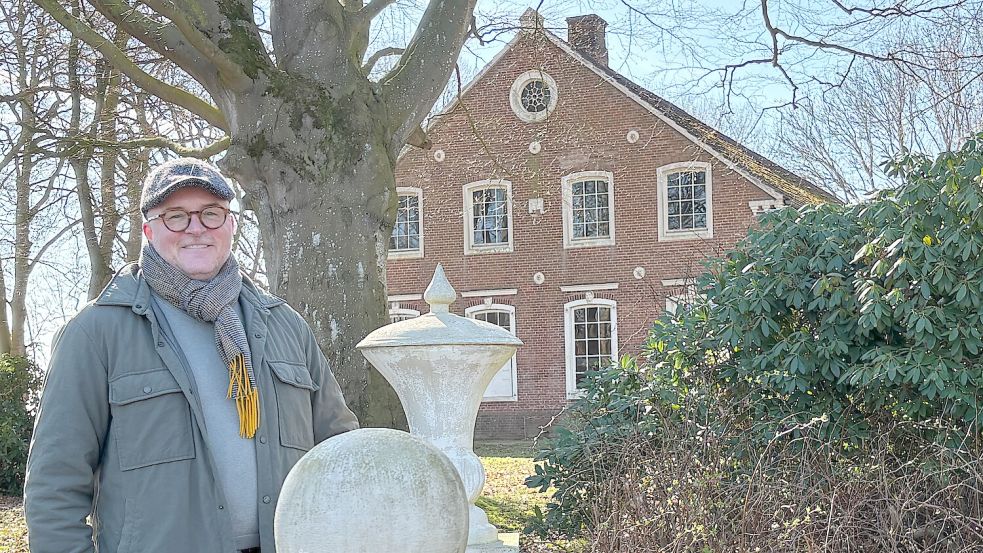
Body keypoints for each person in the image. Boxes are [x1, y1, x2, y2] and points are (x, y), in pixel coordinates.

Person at [24, 157, 359, 553]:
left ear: (231, 225)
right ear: (149, 230)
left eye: (211, 214)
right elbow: (54, 485)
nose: (196, 228)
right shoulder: (96, 333)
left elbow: (343, 455)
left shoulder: (285, 326)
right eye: (176, 216)